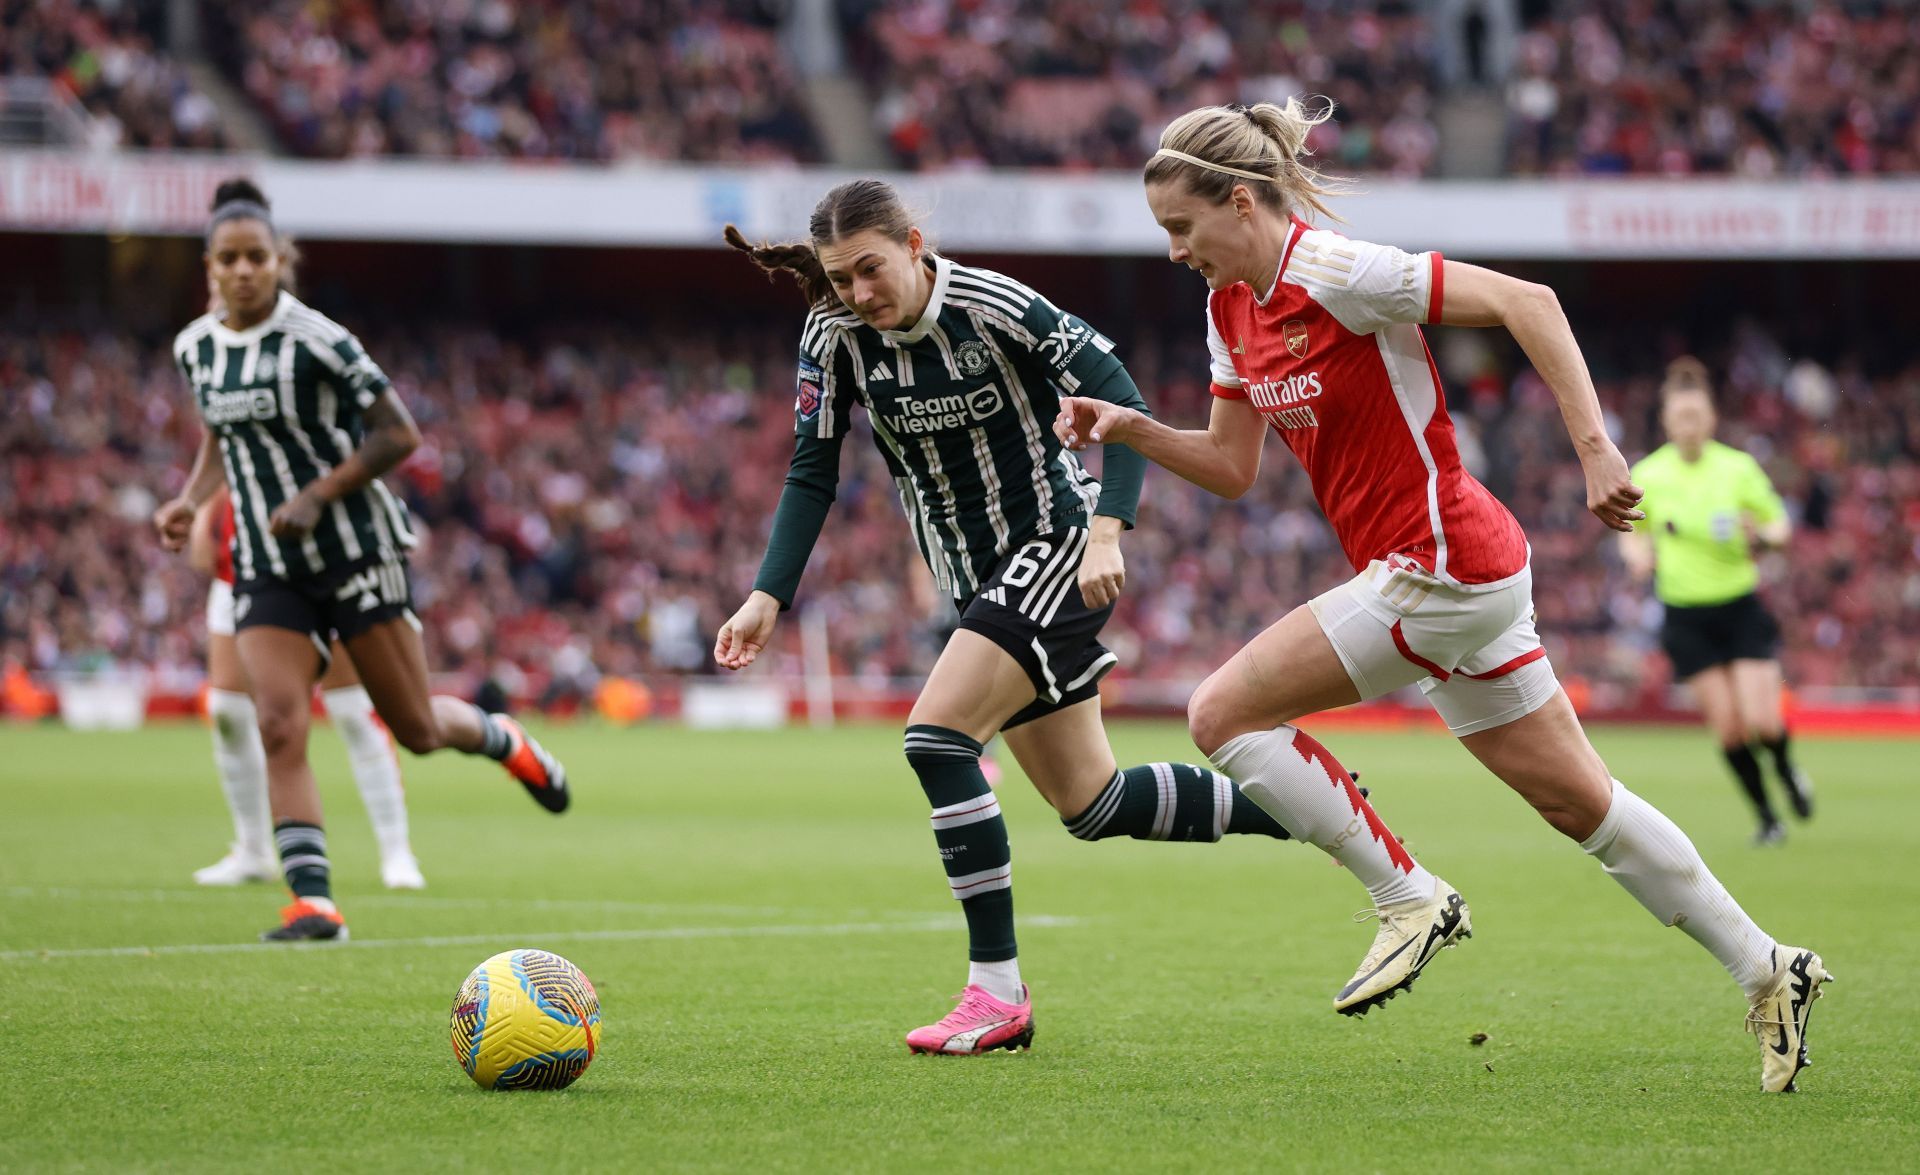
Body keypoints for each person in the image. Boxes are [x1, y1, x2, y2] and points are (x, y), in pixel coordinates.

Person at [1053, 101, 1829, 1092]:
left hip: (1439, 565)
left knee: (1222, 712)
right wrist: (1128, 428)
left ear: (1240, 203)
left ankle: (1407, 896)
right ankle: (1769, 966)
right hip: (1458, 575)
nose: (1173, 251)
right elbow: (1230, 466)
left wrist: (1596, 448)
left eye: (1181, 228)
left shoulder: (1336, 271)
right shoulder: (1229, 311)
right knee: (1581, 801)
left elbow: (1530, 302)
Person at [716, 179, 1386, 1056]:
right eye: (842, 279)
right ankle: (1318, 805)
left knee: (936, 739)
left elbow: (1122, 400)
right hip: (975, 578)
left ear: (916, 245)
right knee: (1093, 802)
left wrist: (1109, 526)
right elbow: (812, 470)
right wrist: (770, 593)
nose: (859, 294)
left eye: (871, 270)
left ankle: (996, 990)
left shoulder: (996, 306)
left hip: (1058, 550)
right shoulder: (833, 335)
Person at [152, 178, 571, 944]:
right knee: (277, 720)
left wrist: (318, 492)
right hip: (269, 561)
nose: (243, 271)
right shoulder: (196, 347)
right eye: (228, 260)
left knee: (411, 725)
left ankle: (504, 739)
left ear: (280, 259)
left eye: (257, 257)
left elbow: (398, 433)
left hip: (355, 550)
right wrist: (189, 499)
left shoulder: (319, 339)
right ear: (209, 267)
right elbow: (221, 434)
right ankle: (314, 902)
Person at [187, 487, 425, 890]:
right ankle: (253, 849)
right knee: (227, 708)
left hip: (322, 565)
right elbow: (222, 447)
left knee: (352, 710)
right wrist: (199, 508)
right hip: (244, 565)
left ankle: (396, 850)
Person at [1621, 358, 1812, 845]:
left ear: (1711, 418)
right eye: (1680, 416)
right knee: (1729, 732)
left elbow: (1779, 526)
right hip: (1686, 617)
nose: (1689, 424)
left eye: (1697, 415)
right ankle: (1768, 817)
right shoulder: (1649, 473)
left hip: (1740, 609)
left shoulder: (1737, 468)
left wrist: (1764, 537)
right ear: (1666, 420)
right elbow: (1632, 533)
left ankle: (1788, 771)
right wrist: (1638, 556)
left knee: (1764, 721)